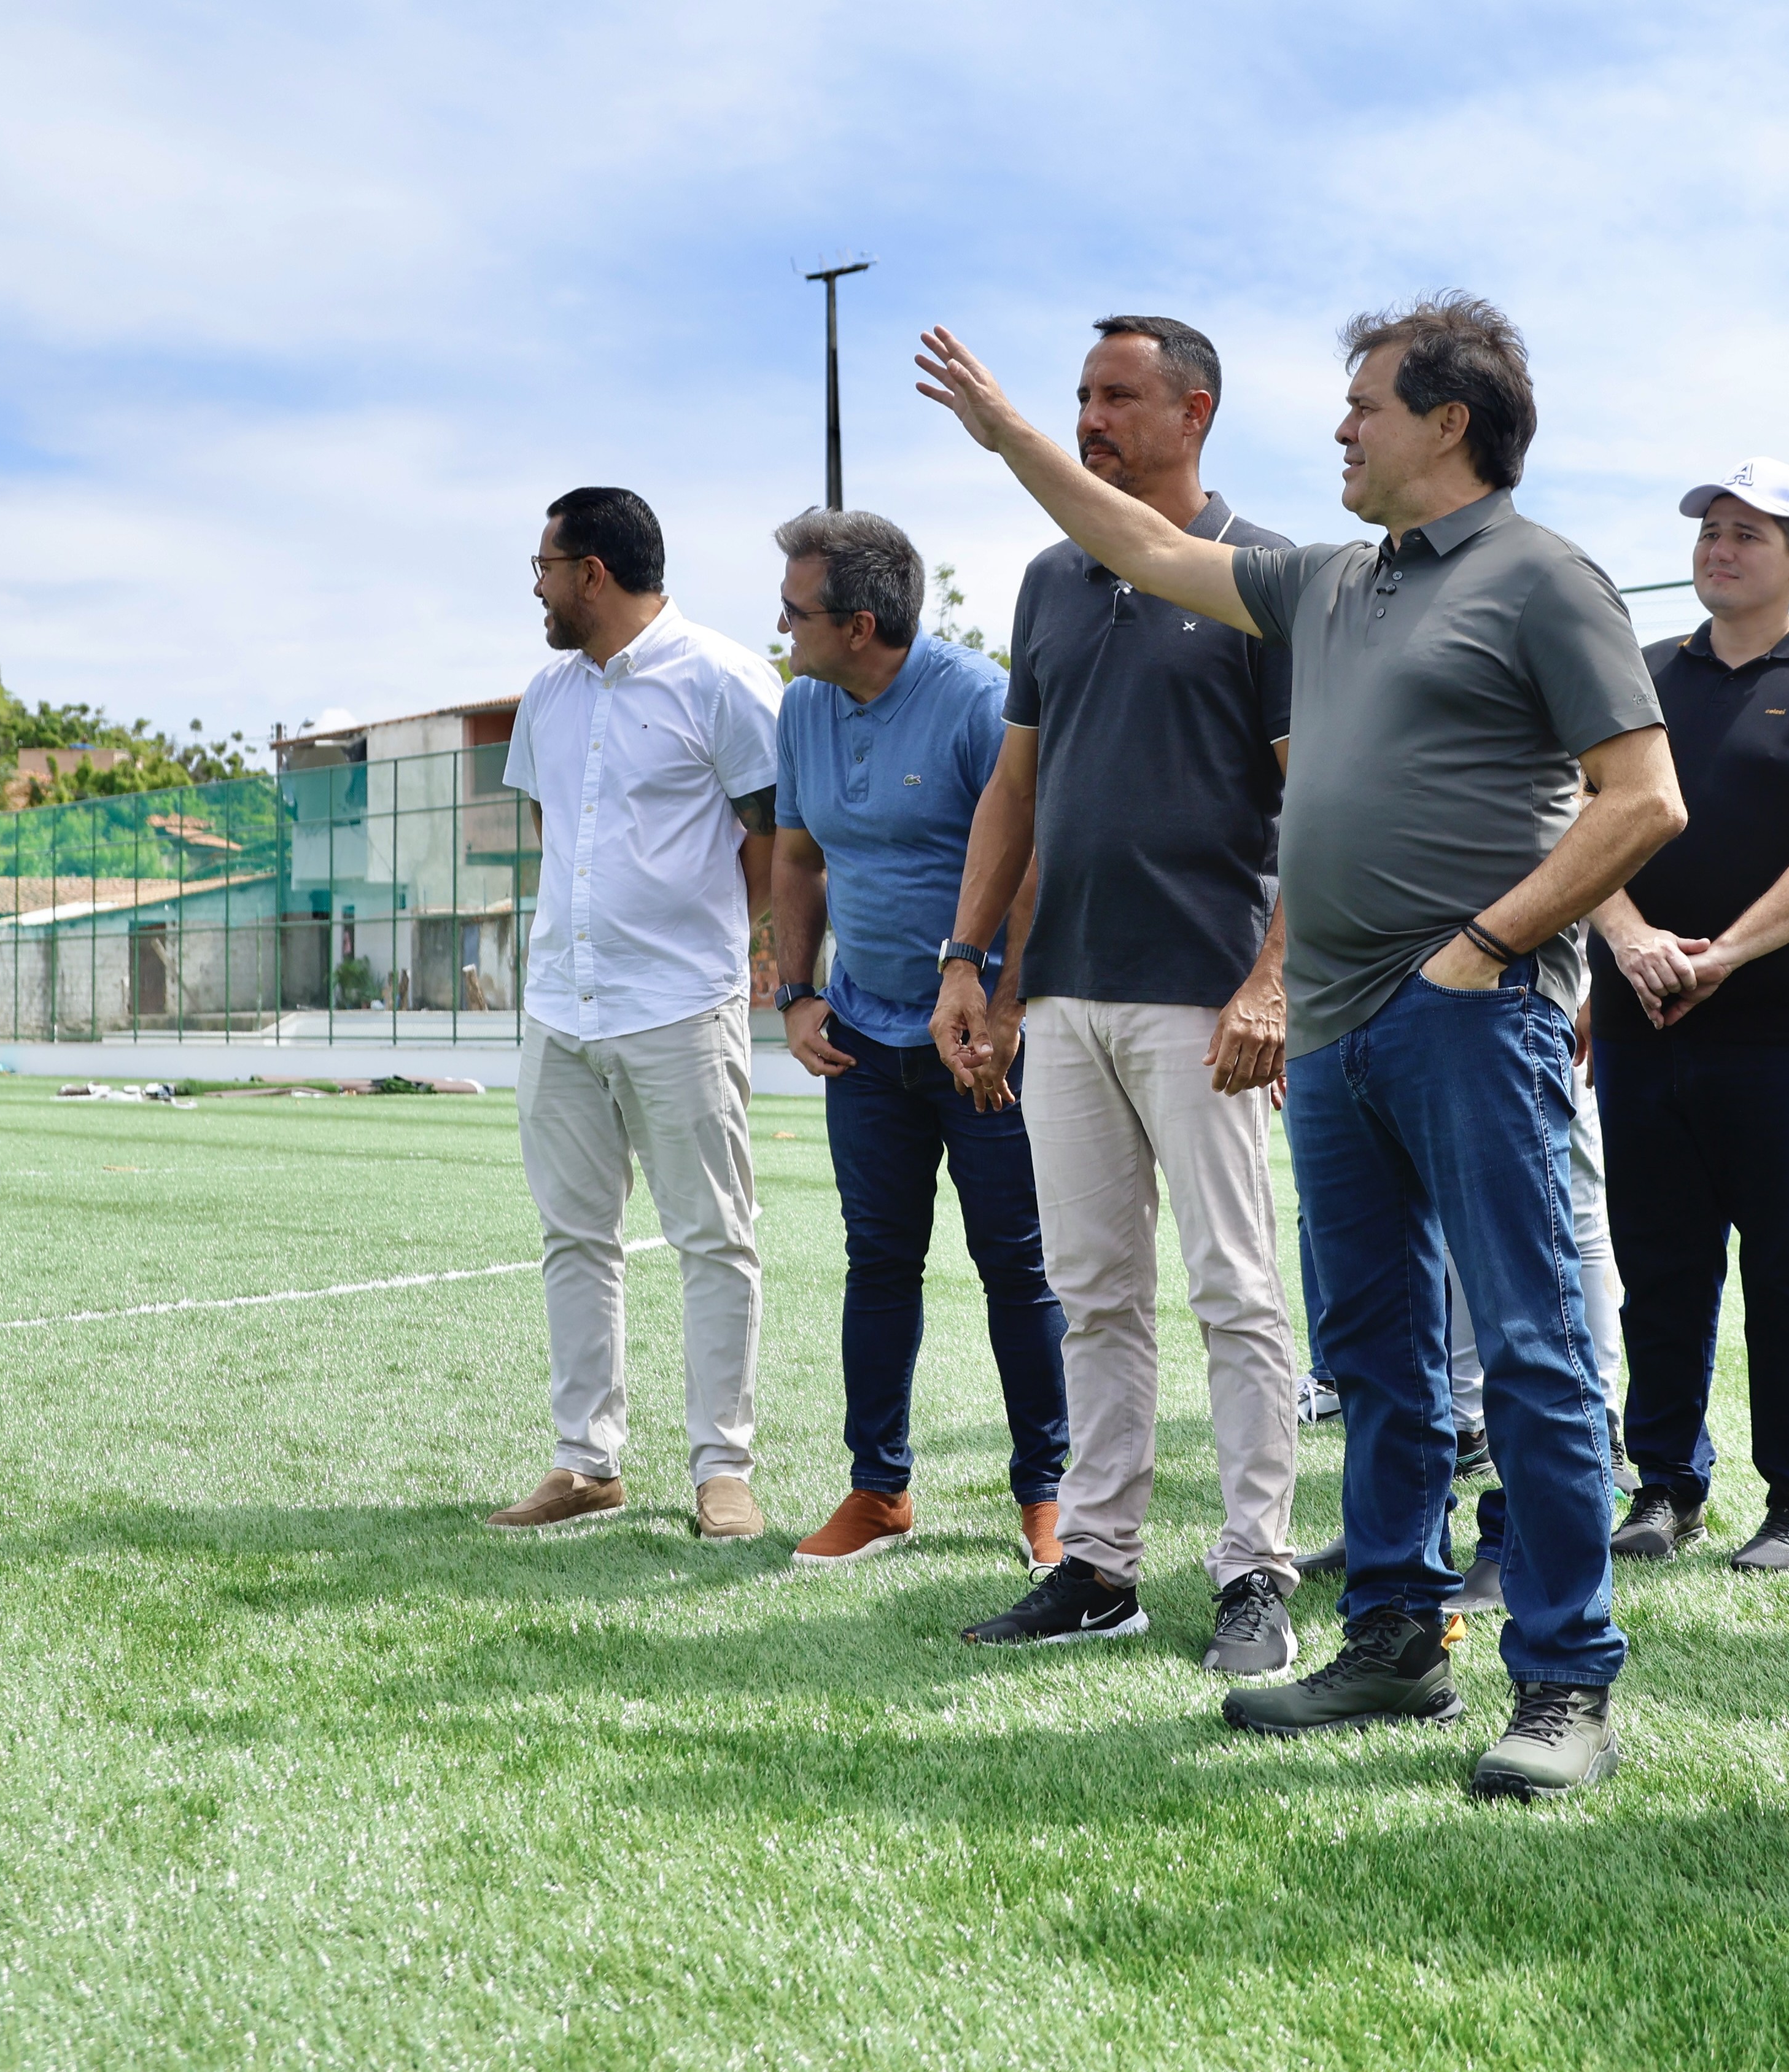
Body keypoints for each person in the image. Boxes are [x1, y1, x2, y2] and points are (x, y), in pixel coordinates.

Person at [916, 292, 1686, 1801]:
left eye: (1365, 407)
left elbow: (1643, 800)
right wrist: (1012, 438)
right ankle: (1393, 1638)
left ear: (1449, 423)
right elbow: (1139, 546)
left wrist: (1481, 949)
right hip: (1337, 1031)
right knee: (1377, 1350)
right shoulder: (1330, 581)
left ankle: (1565, 1676)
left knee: (1528, 1348)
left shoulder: (1543, 577)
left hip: (1475, 1018)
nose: (1339, 428)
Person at [926, 317, 1306, 1673]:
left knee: (1237, 1292)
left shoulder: (1258, 573)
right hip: (1070, 994)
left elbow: (1314, 797)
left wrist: (1273, 977)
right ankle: (1098, 1566)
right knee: (1091, 1291)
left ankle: (1257, 1569)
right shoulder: (1047, 578)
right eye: (1082, 396)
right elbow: (1014, 790)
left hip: (1208, 995)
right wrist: (971, 965)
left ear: (1194, 411)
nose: (1092, 417)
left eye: (1118, 396)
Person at [760, 508, 1074, 1573]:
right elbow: (797, 858)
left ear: (857, 623)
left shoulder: (977, 700)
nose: (781, 625)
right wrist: (798, 993)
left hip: (978, 1042)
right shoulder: (803, 704)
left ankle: (1049, 1496)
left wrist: (1007, 1008)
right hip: (864, 1038)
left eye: (795, 610)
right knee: (879, 1263)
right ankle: (879, 1491)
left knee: (1015, 1267)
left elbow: (1032, 860)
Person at [484, 487, 785, 1542]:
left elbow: (774, 835)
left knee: (713, 1239)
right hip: (559, 1007)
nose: (538, 586)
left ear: (592, 573)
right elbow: (554, 830)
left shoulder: (726, 678)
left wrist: (728, 945)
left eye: (546, 566)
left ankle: (723, 1471)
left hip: (679, 1009)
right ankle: (587, 1464)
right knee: (575, 1237)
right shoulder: (546, 694)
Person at [1589, 457, 1789, 1574]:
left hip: (1788, 1035)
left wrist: (1729, 954)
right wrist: (1629, 939)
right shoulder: (1646, 675)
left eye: (1753, 533)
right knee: (1661, 1267)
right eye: (1712, 528)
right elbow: (1584, 819)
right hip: (1642, 1029)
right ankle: (1664, 1486)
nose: (1722, 547)